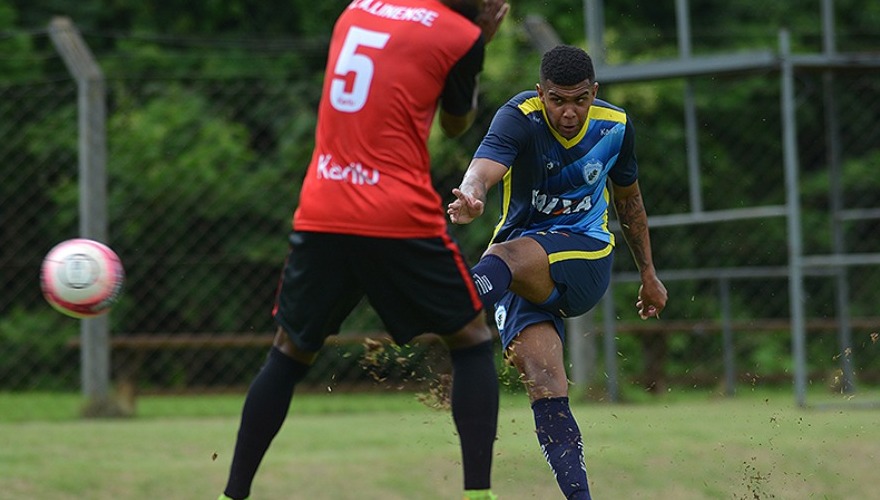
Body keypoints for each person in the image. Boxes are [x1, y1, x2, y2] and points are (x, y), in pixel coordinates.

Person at [218, 1, 509, 499]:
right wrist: (480, 35)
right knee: (471, 339)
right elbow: (456, 126)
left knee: (289, 351)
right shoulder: (462, 35)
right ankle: (478, 495)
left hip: (323, 203)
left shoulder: (356, 10)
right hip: (396, 212)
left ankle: (232, 495)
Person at [447, 44, 668, 499]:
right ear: (540, 93)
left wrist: (648, 272)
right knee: (546, 384)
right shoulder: (519, 118)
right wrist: (471, 194)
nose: (569, 112)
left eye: (580, 100)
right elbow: (482, 169)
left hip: (584, 258)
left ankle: (447, 306)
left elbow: (629, 201)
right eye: (558, 100)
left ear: (594, 93)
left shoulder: (616, 126)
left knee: (503, 259)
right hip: (515, 273)